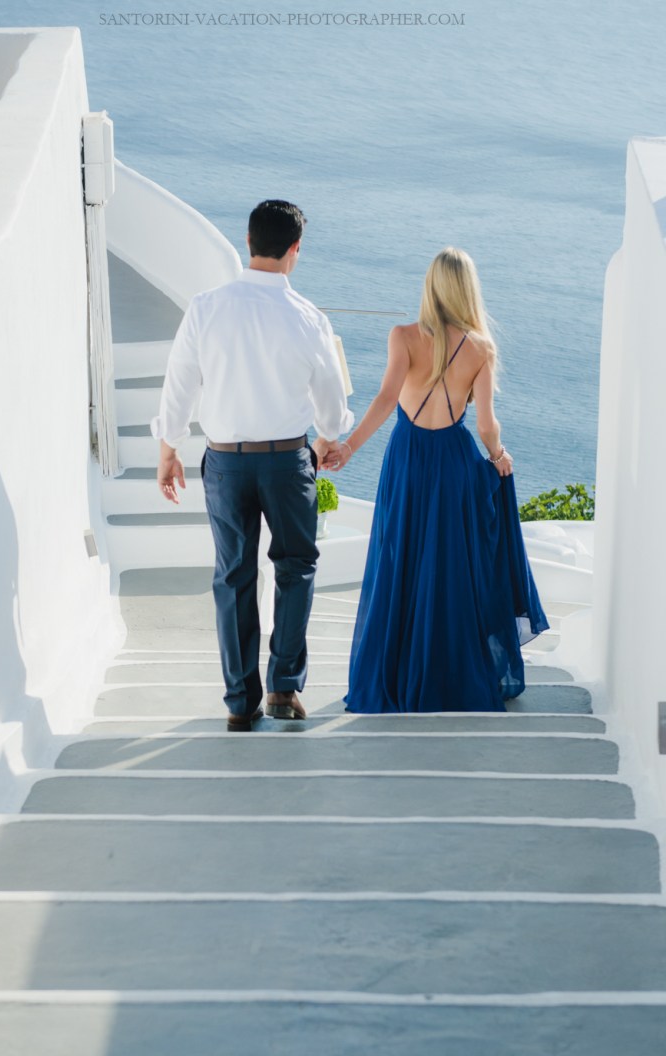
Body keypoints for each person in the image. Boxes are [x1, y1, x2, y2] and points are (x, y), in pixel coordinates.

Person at [153, 200, 354, 731]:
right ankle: (284, 690)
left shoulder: (206, 307)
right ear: (295, 250)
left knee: (234, 576)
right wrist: (330, 438)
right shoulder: (309, 316)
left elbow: (180, 383)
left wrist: (169, 448)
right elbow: (330, 399)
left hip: (225, 461)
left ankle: (241, 701)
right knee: (295, 568)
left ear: (247, 241)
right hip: (288, 461)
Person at [323, 247, 548, 712]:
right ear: (468, 289)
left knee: (399, 559)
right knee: (449, 569)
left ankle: (396, 673)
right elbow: (486, 425)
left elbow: (386, 400)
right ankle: (448, 674)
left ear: (430, 285)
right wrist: (499, 456)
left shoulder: (403, 336)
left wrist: (347, 448)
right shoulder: (482, 348)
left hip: (406, 460)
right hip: (454, 465)